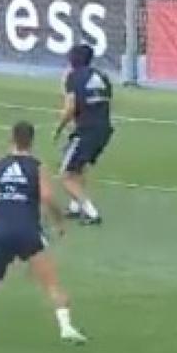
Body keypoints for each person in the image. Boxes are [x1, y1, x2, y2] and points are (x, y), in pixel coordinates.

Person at [0, 121, 87, 345]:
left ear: (12, 139)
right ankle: (66, 327)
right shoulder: (36, 167)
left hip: (0, 231)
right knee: (50, 282)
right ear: (31, 141)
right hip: (27, 231)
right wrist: (59, 222)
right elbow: (48, 197)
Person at [53, 44, 113, 226]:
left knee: (65, 175)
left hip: (87, 131)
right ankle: (75, 206)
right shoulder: (102, 77)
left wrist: (58, 127)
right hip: (103, 129)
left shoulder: (73, 77)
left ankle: (91, 212)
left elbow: (70, 107)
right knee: (79, 167)